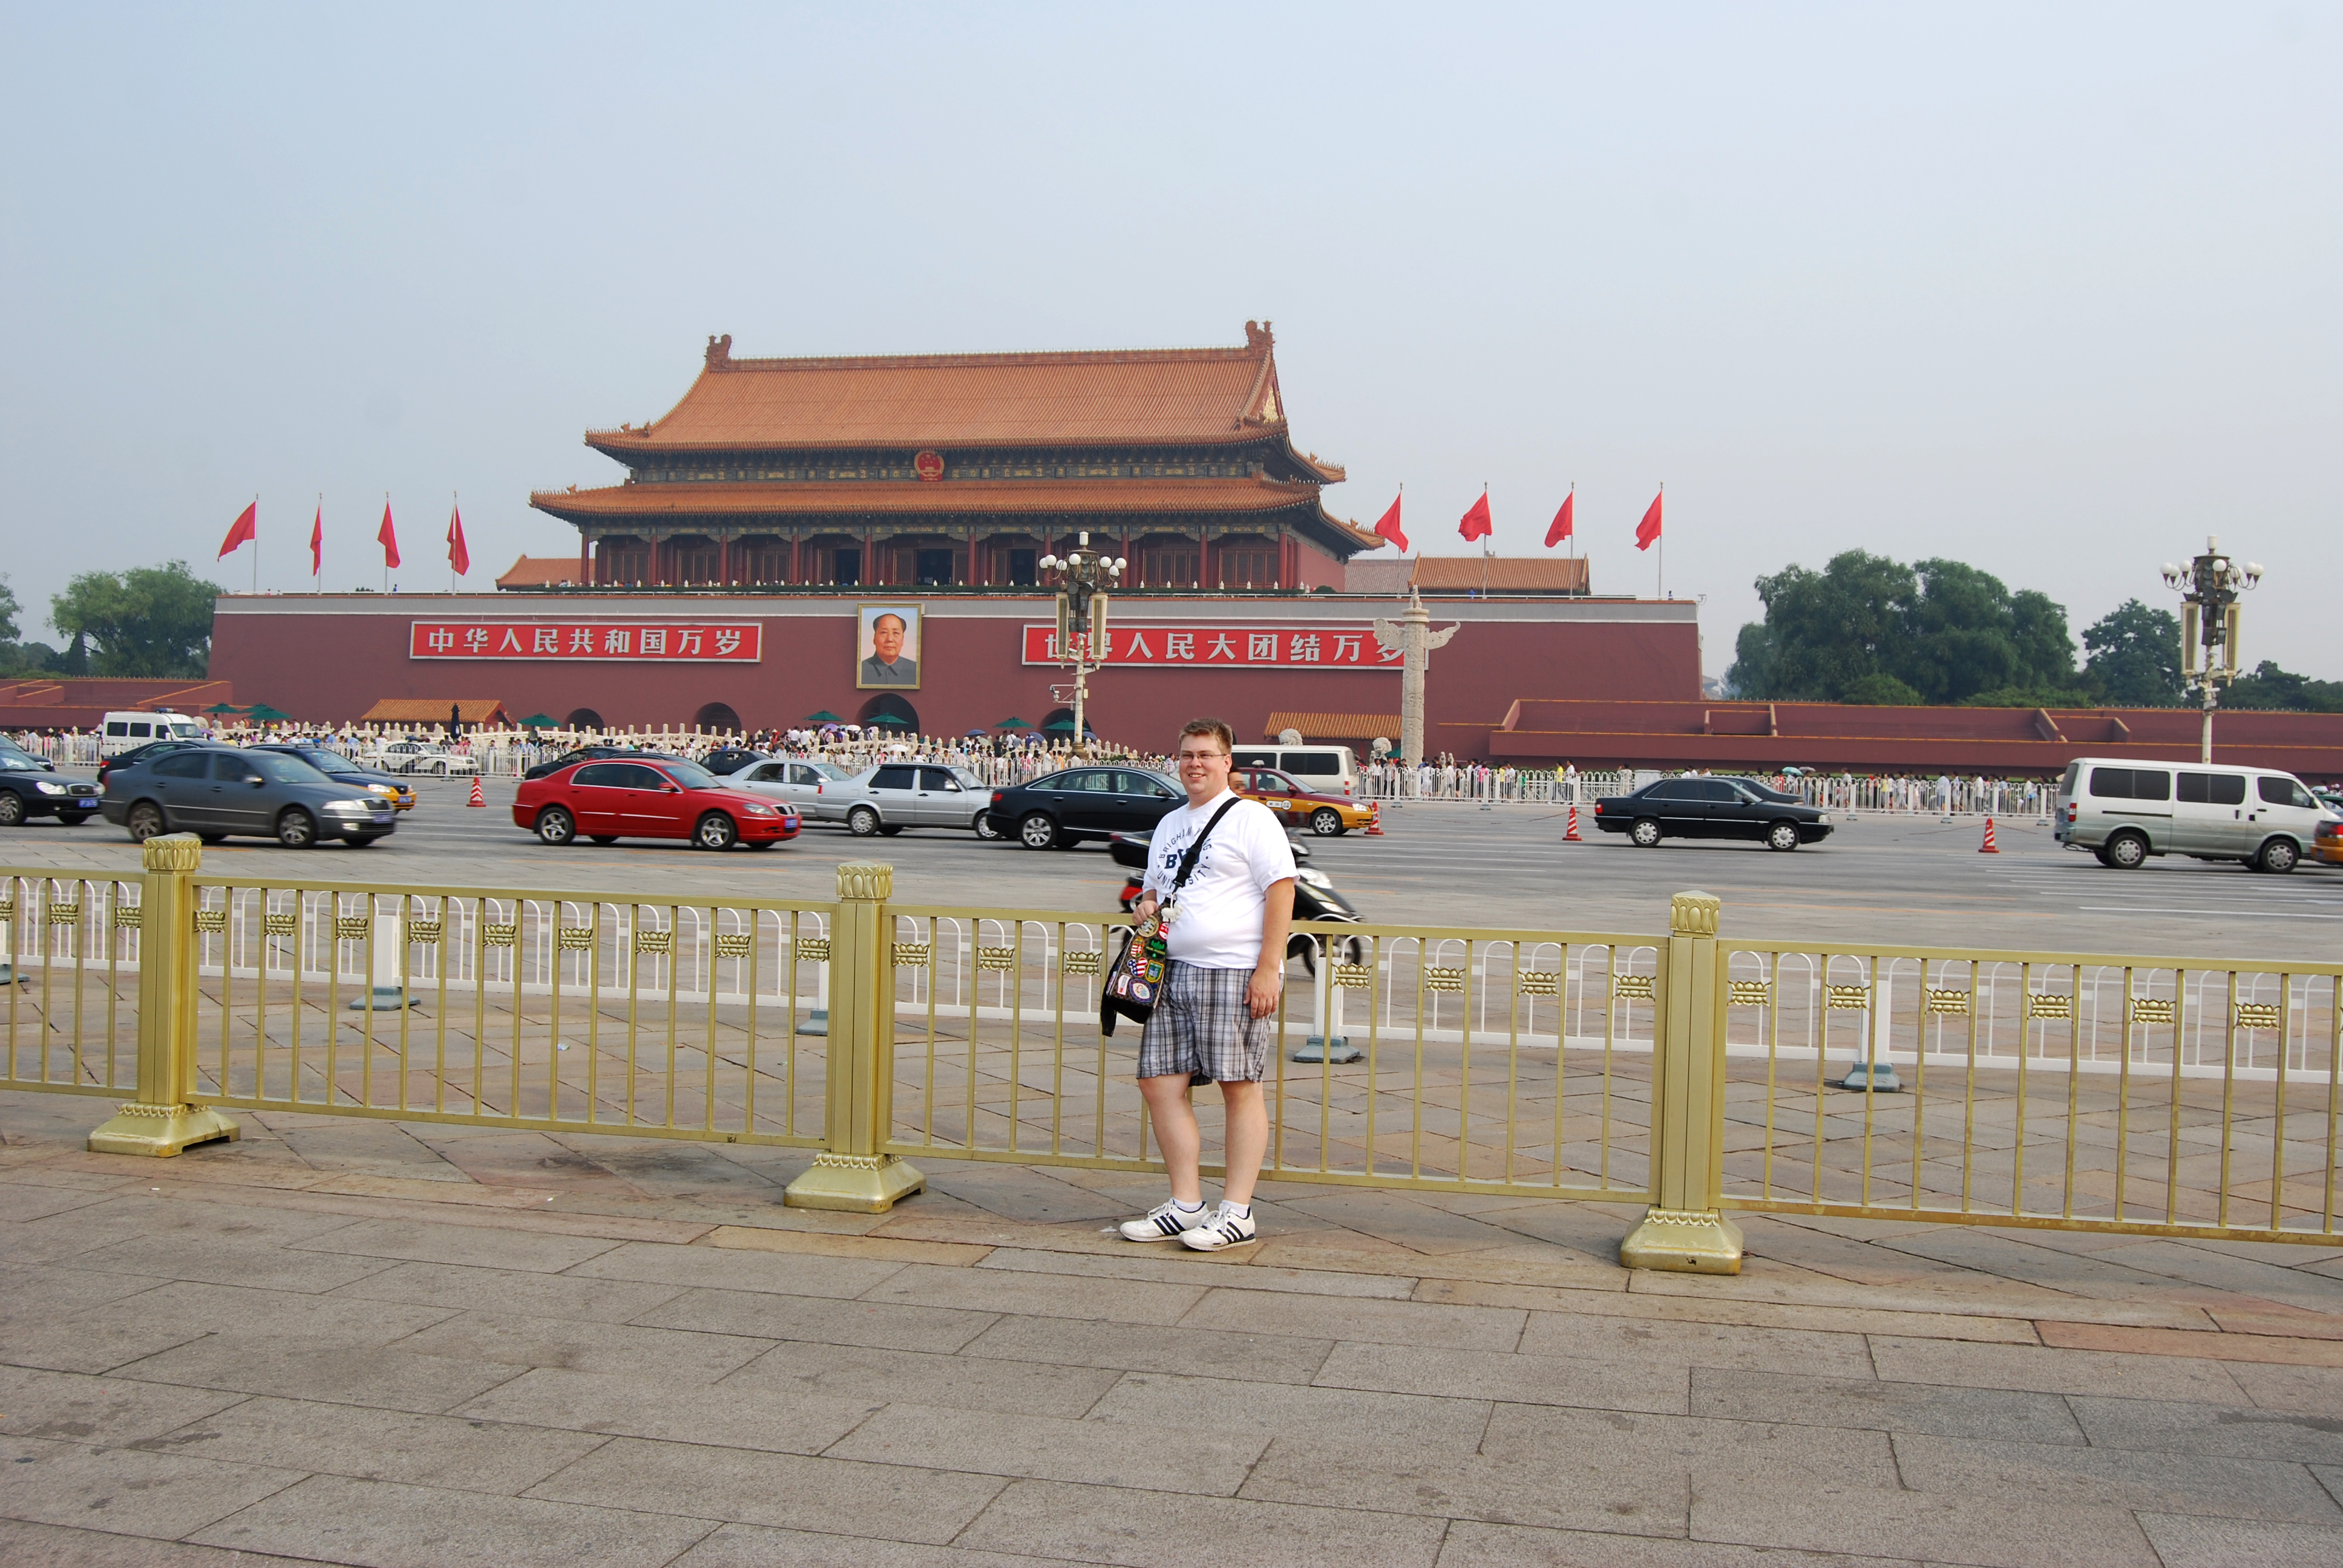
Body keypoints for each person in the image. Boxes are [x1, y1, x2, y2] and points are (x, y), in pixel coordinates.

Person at [1118, 717, 1296, 1252]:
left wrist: (1269, 967)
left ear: (1226, 762)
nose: (1195, 764)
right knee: (1159, 1083)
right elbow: (1154, 889)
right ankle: (1186, 1204)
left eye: (1205, 755)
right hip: (1170, 969)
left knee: (1238, 1086)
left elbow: (1282, 890)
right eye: (1187, 754)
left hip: (1233, 970)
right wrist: (1147, 904)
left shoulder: (1252, 819)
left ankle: (1237, 1211)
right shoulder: (1170, 823)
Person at [860, 612, 919, 685]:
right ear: (874, 638)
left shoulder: (916, 670)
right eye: (884, 633)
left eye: (896, 633)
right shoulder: (860, 670)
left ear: (903, 639)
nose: (890, 639)